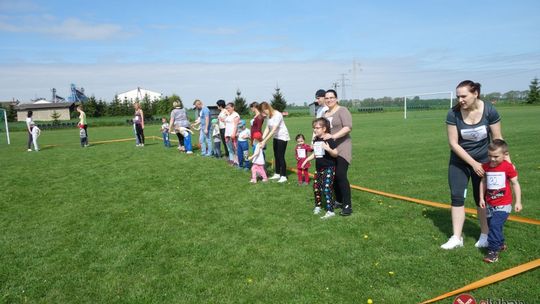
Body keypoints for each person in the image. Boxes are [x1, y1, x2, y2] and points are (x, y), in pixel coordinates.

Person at [441, 80, 507, 250]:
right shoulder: (453, 114)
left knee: (482, 199)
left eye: (464, 96)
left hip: (485, 162)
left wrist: (507, 163)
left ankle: (485, 235)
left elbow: (498, 139)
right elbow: (453, 144)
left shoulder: (489, 110)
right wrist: (473, 163)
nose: (460, 100)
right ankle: (456, 237)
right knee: (457, 197)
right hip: (459, 162)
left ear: (475, 93)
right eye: (458, 96)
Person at [479, 139, 522, 263]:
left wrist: (518, 202)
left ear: (505, 154)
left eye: (496, 156)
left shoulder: (508, 167)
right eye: (489, 156)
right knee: (493, 226)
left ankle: (493, 252)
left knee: (494, 226)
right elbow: (483, 182)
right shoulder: (485, 167)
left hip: (503, 205)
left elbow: (515, 183)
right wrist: (482, 197)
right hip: (489, 204)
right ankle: (501, 244)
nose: (492, 159)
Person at [322, 89, 353, 216]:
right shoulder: (324, 114)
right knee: (333, 176)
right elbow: (321, 130)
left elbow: (348, 127)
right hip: (329, 149)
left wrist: (333, 136)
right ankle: (339, 201)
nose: (329, 100)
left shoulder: (343, 110)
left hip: (343, 147)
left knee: (340, 174)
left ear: (336, 98)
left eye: (331, 97)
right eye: (327, 98)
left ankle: (347, 205)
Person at [302, 118, 339, 219]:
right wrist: (306, 160)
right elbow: (316, 154)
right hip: (319, 168)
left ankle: (330, 211)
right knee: (316, 187)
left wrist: (328, 149)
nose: (315, 130)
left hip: (329, 168)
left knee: (326, 188)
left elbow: (335, 153)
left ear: (324, 128)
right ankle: (318, 206)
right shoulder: (316, 139)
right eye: (314, 128)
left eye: (317, 128)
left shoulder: (329, 139)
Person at [260, 102, 290, 183]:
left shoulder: (278, 115)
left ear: (267, 108)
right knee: (276, 155)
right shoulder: (268, 116)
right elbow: (267, 128)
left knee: (280, 156)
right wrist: (262, 139)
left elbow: (273, 130)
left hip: (282, 136)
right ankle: (277, 173)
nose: (263, 113)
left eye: (263, 111)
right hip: (276, 137)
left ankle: (283, 176)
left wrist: (265, 141)